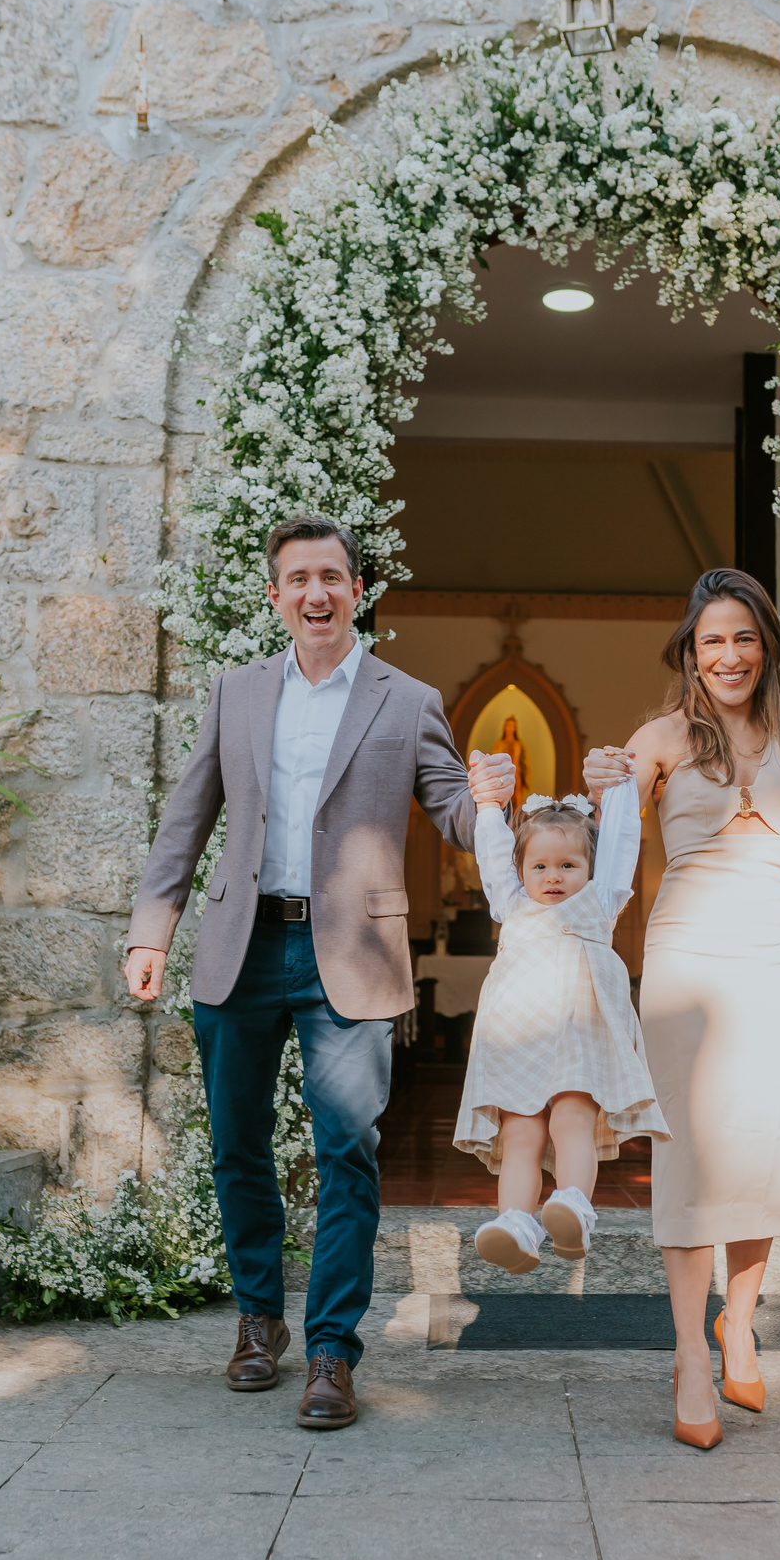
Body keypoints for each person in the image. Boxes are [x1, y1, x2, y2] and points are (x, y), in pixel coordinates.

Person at [124, 515, 515, 1430]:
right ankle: (259, 1321)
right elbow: (187, 819)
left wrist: (491, 799)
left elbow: (452, 809)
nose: (316, 593)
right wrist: (152, 931)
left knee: (347, 1152)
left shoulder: (406, 699)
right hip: (240, 947)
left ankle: (332, 1350)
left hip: (354, 956)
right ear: (275, 595)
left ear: (356, 592)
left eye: (332, 577)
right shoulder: (236, 693)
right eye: (298, 579)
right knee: (237, 1146)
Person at [584, 568, 780, 1450]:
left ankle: (738, 1323)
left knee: (766, 1156)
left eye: (743, 637)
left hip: (779, 959)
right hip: (685, 962)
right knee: (692, 1159)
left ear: (767, 647)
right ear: (691, 652)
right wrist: (604, 783)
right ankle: (686, 1354)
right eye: (712, 639)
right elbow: (607, 849)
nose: (729, 654)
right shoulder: (661, 738)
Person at [453, 764, 670, 1272]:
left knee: (572, 1120)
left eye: (568, 866)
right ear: (522, 870)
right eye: (540, 867)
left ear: (591, 871)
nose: (553, 877)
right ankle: (516, 1224)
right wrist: (488, 807)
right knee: (520, 1134)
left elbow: (619, 842)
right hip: (516, 1033)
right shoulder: (511, 903)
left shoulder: (601, 901)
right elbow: (491, 855)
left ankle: (572, 1205)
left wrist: (617, 795)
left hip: (579, 1030)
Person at [491, 714, 531, 808]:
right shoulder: (499, 745)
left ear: (515, 728)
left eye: (512, 726)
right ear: (505, 727)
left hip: (517, 778)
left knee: (517, 803)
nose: (510, 728)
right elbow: (494, 761)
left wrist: (525, 779)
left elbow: (525, 763)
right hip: (503, 778)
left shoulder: (519, 745)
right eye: (508, 725)